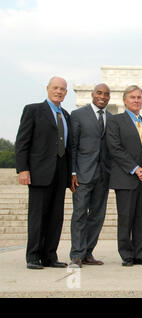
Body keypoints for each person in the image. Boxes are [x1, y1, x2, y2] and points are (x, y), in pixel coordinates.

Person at [15, 76, 72, 269]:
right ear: (47, 89)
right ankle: (33, 256)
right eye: (55, 88)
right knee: (38, 216)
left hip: (60, 172)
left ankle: (50, 256)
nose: (59, 91)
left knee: (56, 217)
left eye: (62, 89)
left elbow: (69, 147)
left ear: (66, 92)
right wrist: (23, 169)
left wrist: (71, 174)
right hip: (40, 172)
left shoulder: (66, 115)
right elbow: (22, 142)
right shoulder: (33, 110)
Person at [106, 85, 142, 266]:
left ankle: (140, 254)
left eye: (139, 97)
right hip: (126, 178)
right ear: (124, 100)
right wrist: (136, 168)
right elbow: (115, 148)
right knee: (126, 219)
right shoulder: (115, 121)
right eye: (132, 97)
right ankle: (127, 255)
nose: (136, 100)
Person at [69, 83, 112, 268]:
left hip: (103, 175)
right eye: (99, 93)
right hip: (83, 174)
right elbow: (72, 145)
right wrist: (72, 171)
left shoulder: (112, 118)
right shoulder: (78, 115)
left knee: (97, 216)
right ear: (93, 94)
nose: (102, 96)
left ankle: (88, 253)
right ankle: (77, 255)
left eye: (106, 94)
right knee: (79, 214)